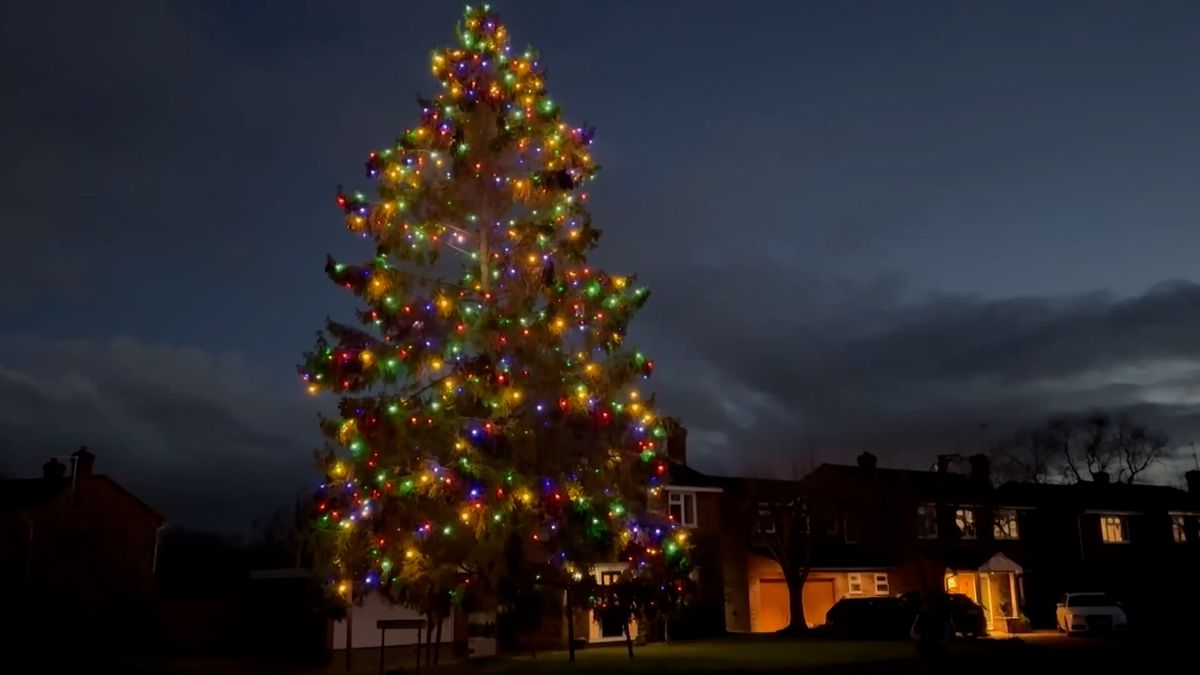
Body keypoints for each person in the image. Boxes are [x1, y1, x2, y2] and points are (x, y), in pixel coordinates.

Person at [910, 592, 953, 674]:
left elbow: (947, 628)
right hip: (927, 643)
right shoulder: (923, 615)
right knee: (930, 663)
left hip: (934, 643)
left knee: (935, 663)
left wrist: (943, 640)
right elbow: (915, 628)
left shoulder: (940, 616)